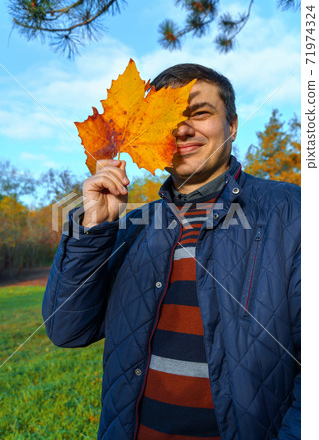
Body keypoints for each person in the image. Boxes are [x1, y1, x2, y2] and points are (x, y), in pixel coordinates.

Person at [42, 64, 301, 440]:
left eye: (200, 113)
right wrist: (94, 229)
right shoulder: (131, 227)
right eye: (169, 118)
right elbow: (67, 329)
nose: (182, 129)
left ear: (231, 125)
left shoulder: (294, 212)